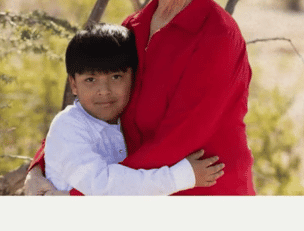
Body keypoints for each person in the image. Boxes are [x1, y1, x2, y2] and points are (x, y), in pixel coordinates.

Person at [27, 0, 255, 195]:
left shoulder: (219, 38)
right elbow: (90, 111)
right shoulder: (131, 29)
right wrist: (39, 167)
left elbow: (175, 143)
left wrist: (77, 197)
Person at [43, 23, 224, 195]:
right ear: (73, 84)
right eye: (90, 80)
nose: (104, 91)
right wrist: (181, 177)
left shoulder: (129, 118)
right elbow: (103, 186)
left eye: (116, 77)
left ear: (133, 77)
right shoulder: (67, 126)